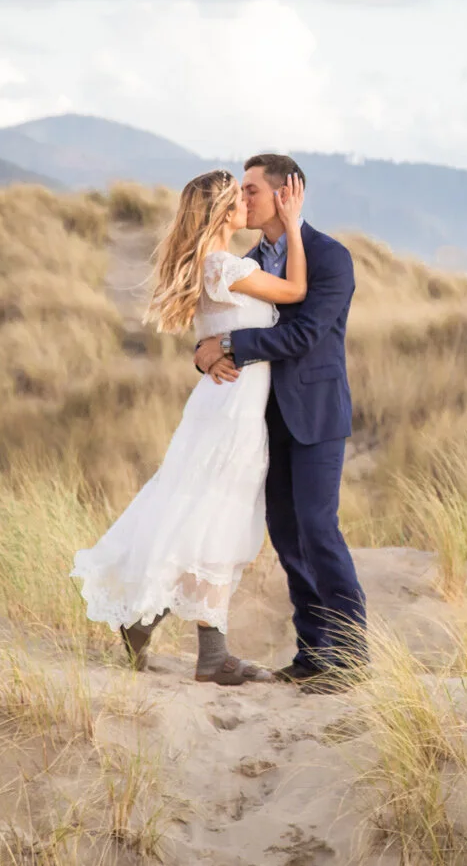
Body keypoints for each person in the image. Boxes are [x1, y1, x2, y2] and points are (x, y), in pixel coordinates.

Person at [72, 167, 307, 684]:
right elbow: (295, 290)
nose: (248, 202)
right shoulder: (224, 265)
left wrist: (211, 353)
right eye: (239, 197)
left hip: (224, 404)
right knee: (214, 517)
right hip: (230, 411)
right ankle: (205, 651)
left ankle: (154, 622)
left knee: (203, 514)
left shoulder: (215, 264)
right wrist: (293, 224)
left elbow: (223, 333)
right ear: (223, 212)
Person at [192, 153, 366, 692]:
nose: (240, 200)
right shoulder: (245, 261)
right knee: (287, 535)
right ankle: (314, 654)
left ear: (287, 193)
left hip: (315, 416)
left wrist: (228, 346)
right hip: (262, 418)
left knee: (319, 530)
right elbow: (218, 323)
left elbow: (303, 335)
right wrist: (203, 354)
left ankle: (351, 656)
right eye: (239, 192)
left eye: (251, 191)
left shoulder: (329, 257)